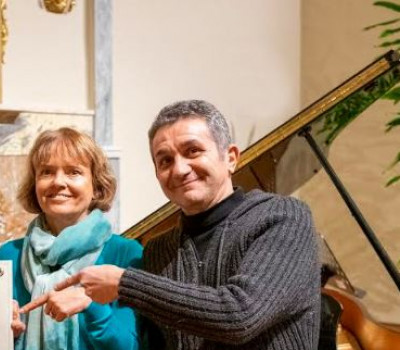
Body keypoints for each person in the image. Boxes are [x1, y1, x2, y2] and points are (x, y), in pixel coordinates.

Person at [54, 100, 321, 349]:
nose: (180, 169)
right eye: (165, 160)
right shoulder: (159, 249)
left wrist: (124, 283)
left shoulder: (283, 217)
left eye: (193, 151)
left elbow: (240, 315)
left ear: (230, 157)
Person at [0, 127, 142, 350]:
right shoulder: (9, 255)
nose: (58, 182)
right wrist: (4, 334)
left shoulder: (126, 253)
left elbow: (130, 346)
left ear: (96, 186)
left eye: (74, 172)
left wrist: (92, 305)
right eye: (46, 172)